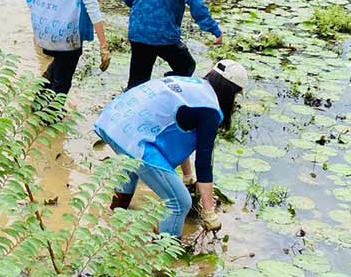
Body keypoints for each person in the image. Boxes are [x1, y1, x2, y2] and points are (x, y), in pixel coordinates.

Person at [96, 60, 249, 239]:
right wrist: (209, 212)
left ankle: (114, 214)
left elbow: (177, 134)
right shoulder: (211, 111)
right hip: (135, 138)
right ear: (230, 92)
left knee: (130, 164)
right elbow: (204, 162)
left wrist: (187, 177)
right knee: (180, 203)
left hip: (114, 123)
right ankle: (162, 257)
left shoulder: (193, 87)